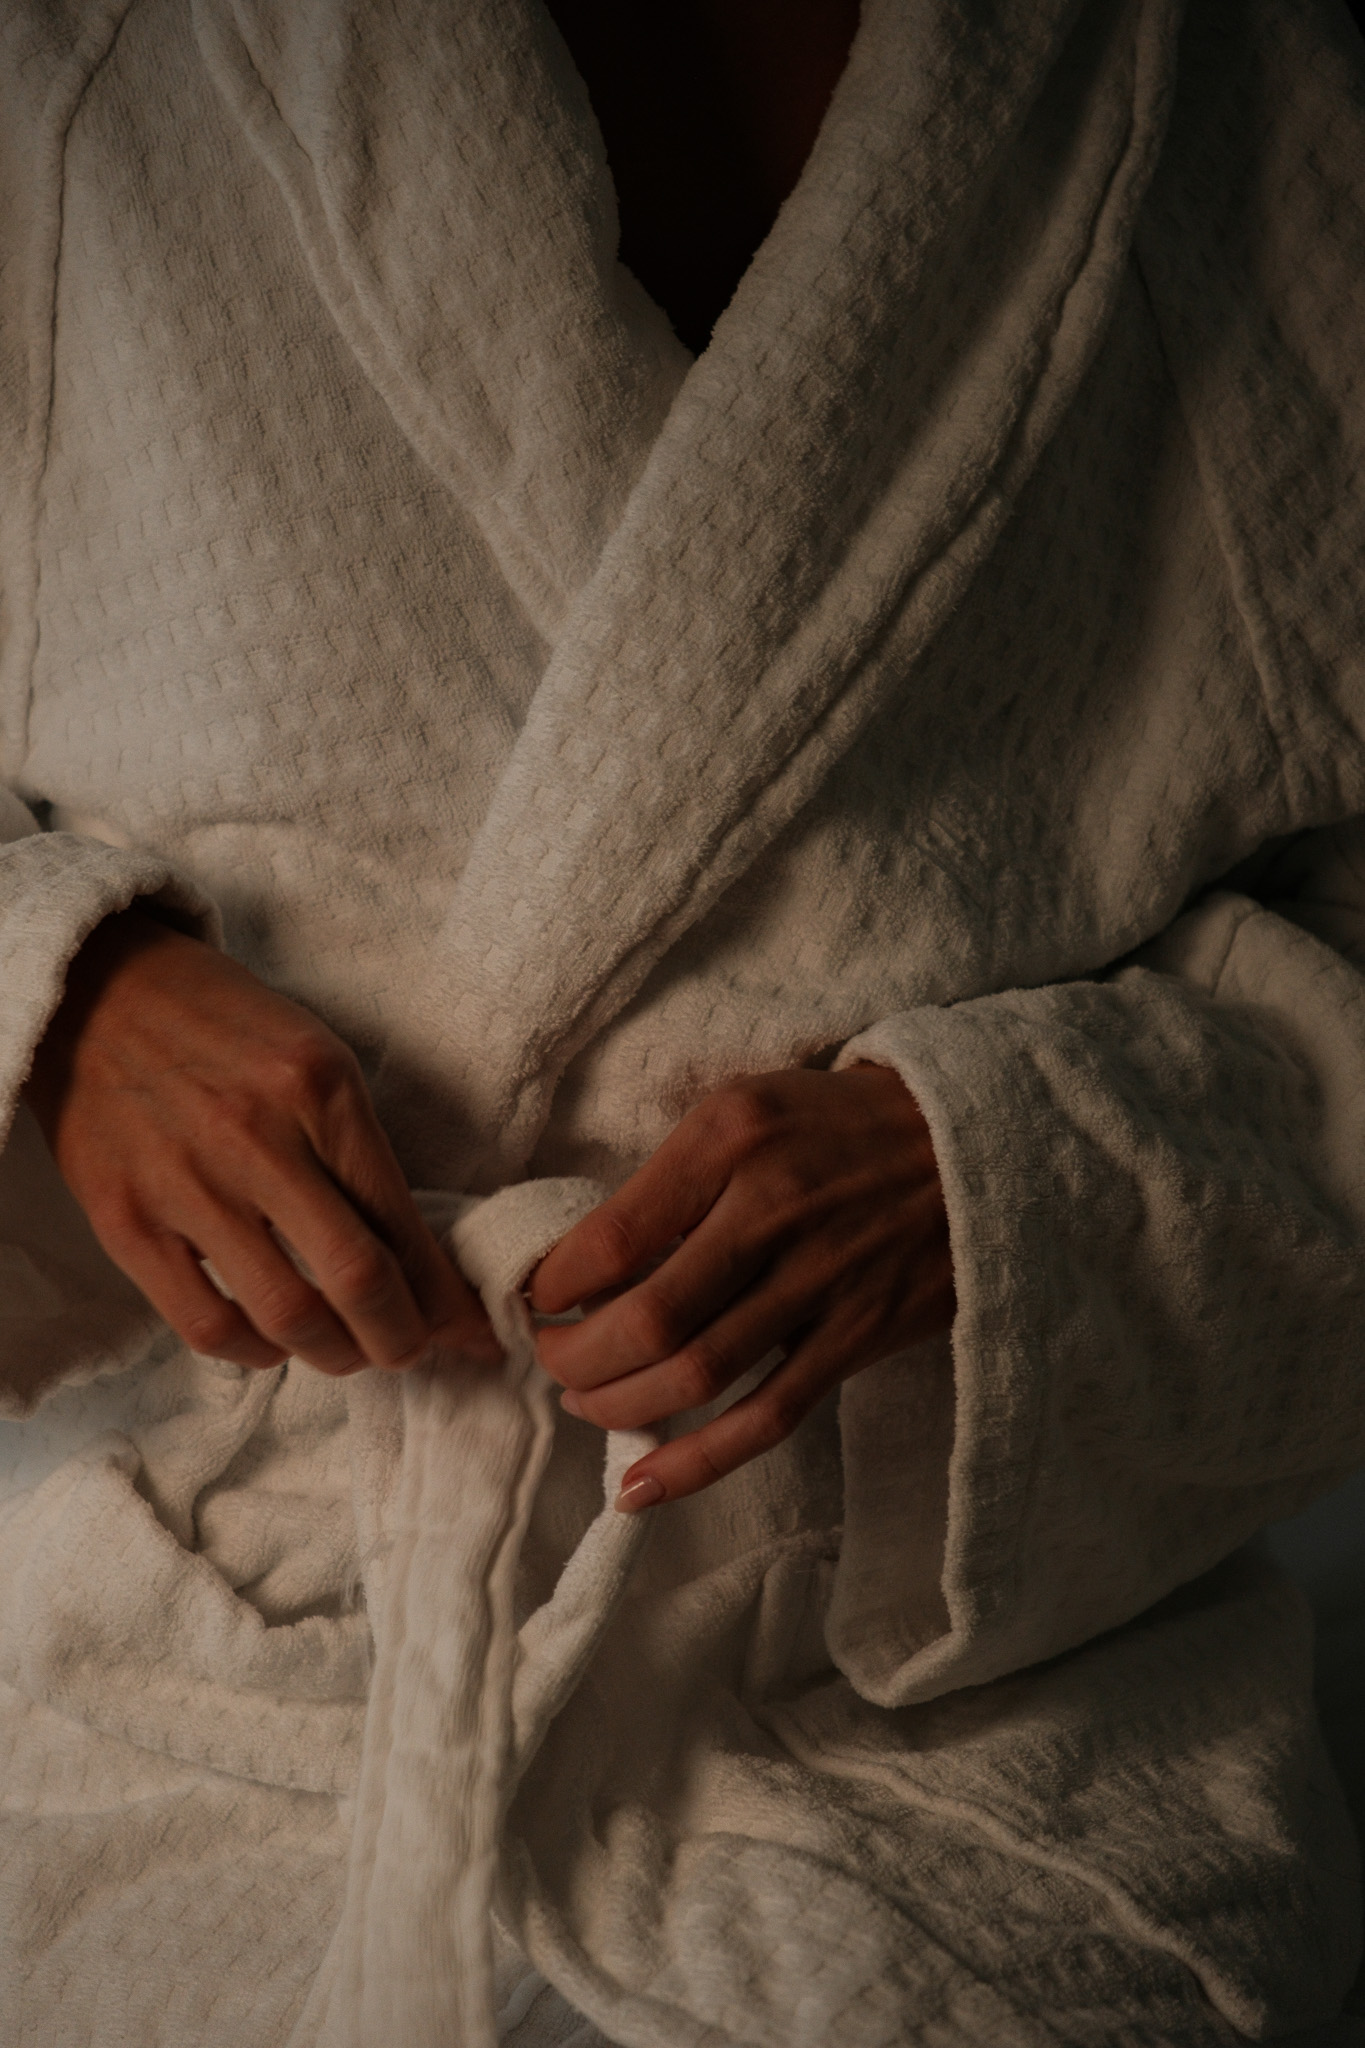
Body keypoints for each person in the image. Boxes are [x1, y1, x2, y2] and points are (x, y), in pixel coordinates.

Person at [1, 0, 1363, 2041]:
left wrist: (1015, 1172)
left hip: (972, 1735)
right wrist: (65, 1002)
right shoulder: (82, 71)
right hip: (191, 1658)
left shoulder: (1228, 92)